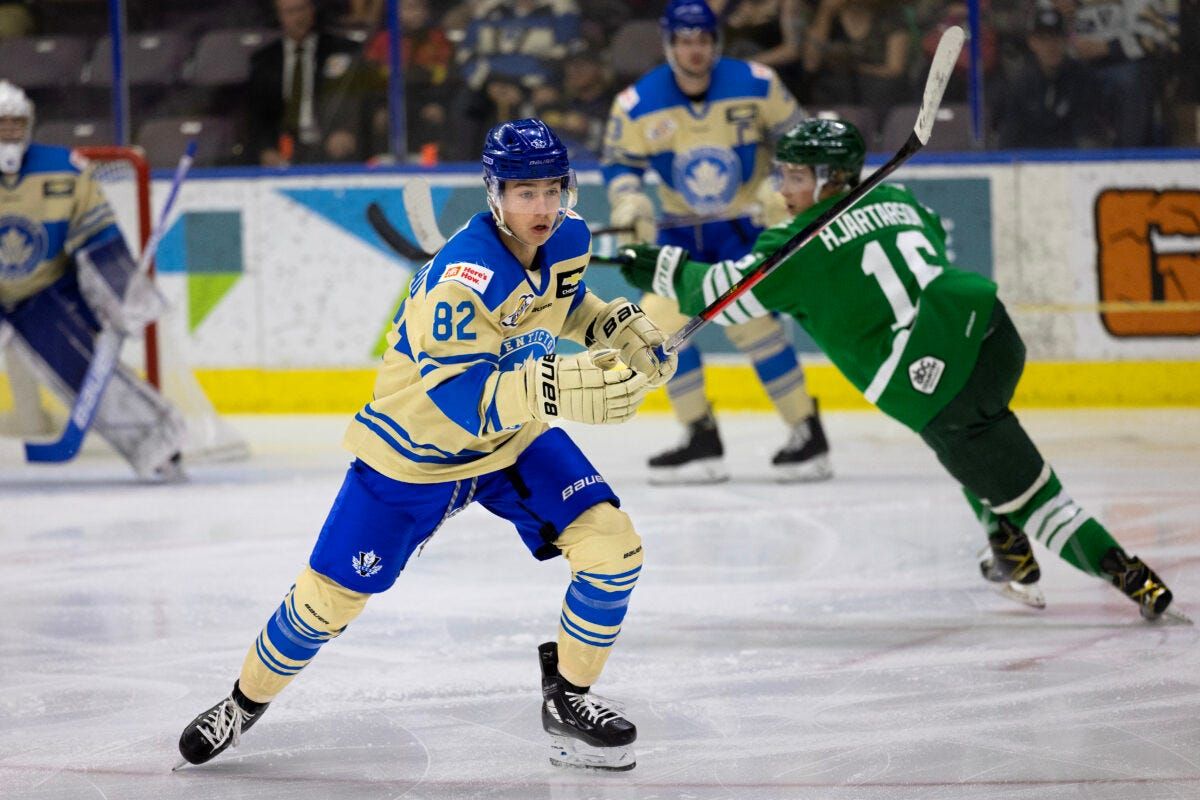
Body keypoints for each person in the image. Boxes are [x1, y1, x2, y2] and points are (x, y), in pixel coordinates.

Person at [176, 119, 677, 772]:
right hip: (415, 457)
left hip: (510, 444)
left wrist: (612, 323)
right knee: (326, 601)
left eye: (553, 189)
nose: (544, 208)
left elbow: (565, 302)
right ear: (495, 195)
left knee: (614, 550)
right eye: (526, 193)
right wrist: (553, 388)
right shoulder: (459, 283)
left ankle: (568, 702)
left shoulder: (568, 238)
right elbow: (459, 400)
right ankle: (242, 704)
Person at [619, 117, 1177, 621]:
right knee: (972, 445)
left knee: (1031, 492)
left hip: (932, 380)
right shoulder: (902, 199)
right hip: (990, 330)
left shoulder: (794, 247)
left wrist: (655, 265)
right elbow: (922, 238)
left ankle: (1128, 575)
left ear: (826, 179)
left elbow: (721, 295)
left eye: (791, 177)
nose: (781, 189)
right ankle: (1006, 545)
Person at [603, 0, 832, 484]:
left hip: (742, 232)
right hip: (678, 236)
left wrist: (781, 190)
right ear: (669, 44)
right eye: (685, 41)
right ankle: (699, 437)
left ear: (717, 42)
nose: (695, 51)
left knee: (753, 326)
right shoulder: (638, 104)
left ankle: (806, 432)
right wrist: (630, 206)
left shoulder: (757, 84)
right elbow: (622, 165)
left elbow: (800, 142)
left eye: (703, 40)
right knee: (658, 334)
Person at [0, 80, 186, 481]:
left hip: (41, 290)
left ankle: (158, 448)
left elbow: (99, 238)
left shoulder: (63, 169)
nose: (10, 134)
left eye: (16, 125)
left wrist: (125, 297)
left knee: (87, 371)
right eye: (1, 126)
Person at [243, 0, 373, 165]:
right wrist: (265, 150)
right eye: (290, 12)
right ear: (279, 16)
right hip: (283, 148)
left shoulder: (342, 50)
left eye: (302, 9)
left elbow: (361, 99)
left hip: (329, 146)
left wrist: (348, 130)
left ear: (312, 11)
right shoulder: (264, 61)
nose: (298, 17)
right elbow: (256, 116)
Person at [993, 7, 1102, 149]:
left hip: (1070, 160)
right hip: (1027, 160)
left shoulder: (1081, 77)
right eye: (1043, 39)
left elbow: (1086, 131)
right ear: (1032, 42)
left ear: (1066, 41)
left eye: (1057, 38)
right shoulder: (1019, 82)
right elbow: (1009, 132)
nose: (1051, 46)